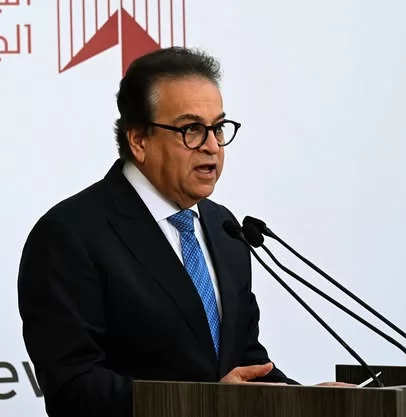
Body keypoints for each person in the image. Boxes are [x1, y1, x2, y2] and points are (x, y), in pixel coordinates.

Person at [17, 47, 347, 417]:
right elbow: (74, 389)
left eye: (218, 128)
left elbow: (244, 363)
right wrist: (209, 405)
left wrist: (308, 401)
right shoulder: (70, 235)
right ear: (138, 141)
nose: (212, 146)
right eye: (192, 130)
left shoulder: (224, 229)